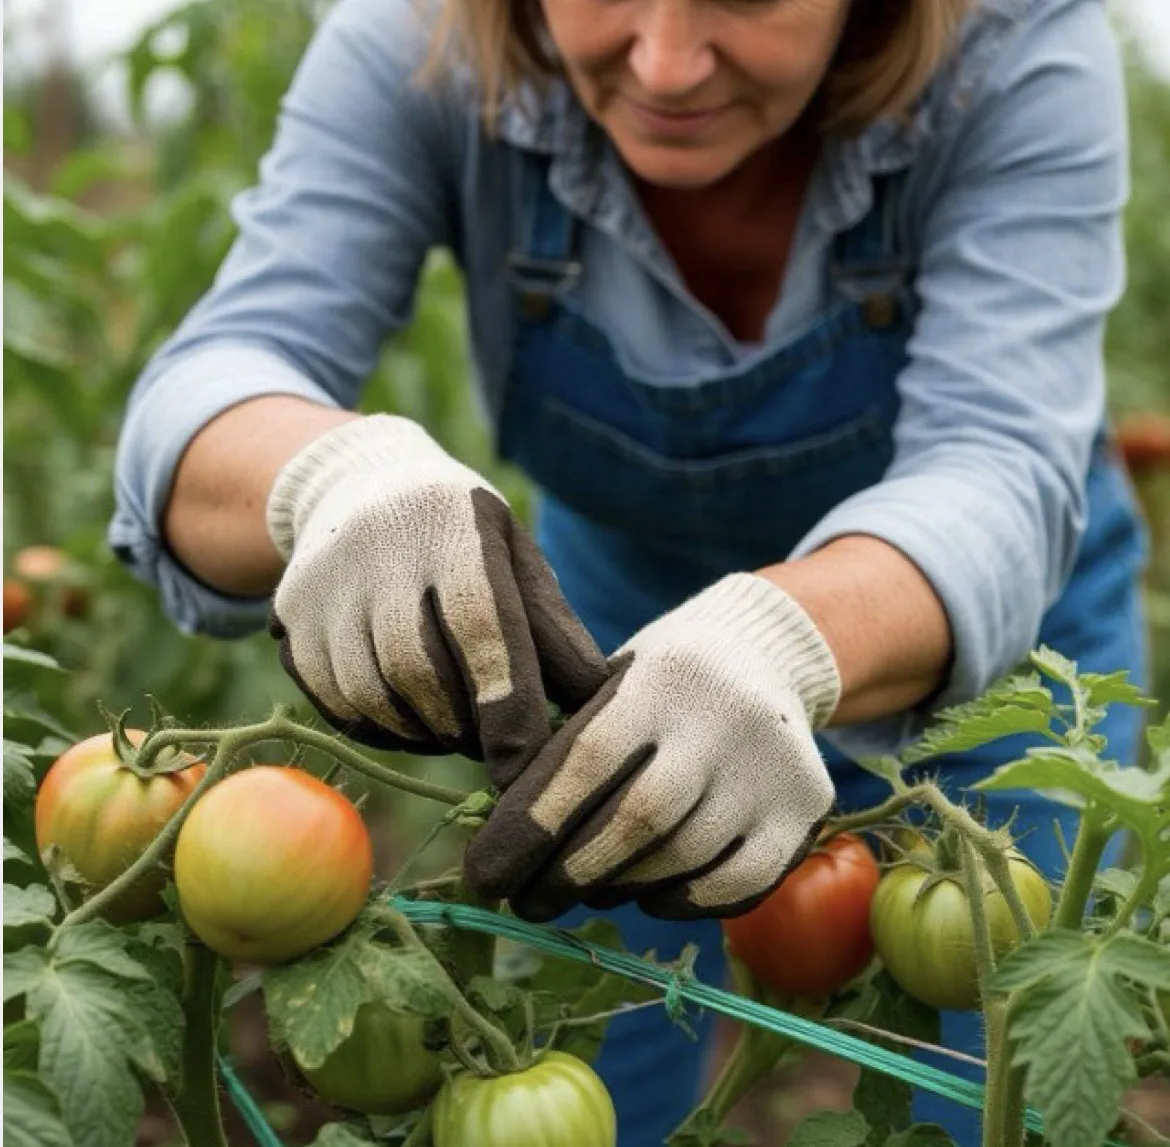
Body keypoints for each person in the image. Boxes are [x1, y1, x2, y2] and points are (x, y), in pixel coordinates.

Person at [109, 0, 1149, 1142]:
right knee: (598, 1051)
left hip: (993, 672)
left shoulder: (1014, 47)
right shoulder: (421, 37)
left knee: (1008, 1092)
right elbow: (221, 367)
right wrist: (324, 474)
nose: (663, 63)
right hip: (607, 638)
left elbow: (998, 462)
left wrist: (789, 637)